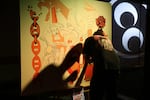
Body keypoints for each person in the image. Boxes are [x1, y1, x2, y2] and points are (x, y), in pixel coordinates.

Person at [83, 16, 120, 100]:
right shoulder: (107, 40)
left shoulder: (90, 40)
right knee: (111, 93)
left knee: (96, 92)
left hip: (104, 69)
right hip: (115, 69)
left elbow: (87, 58)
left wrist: (89, 60)